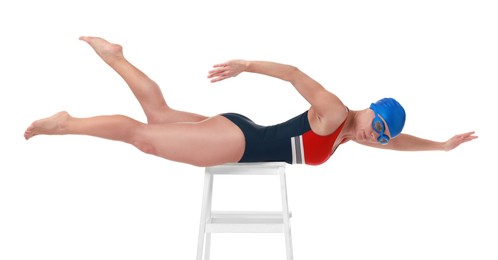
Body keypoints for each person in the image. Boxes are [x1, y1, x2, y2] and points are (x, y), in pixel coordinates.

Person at [24, 36, 478, 167]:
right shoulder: (337, 112)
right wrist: (246, 64)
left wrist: (440, 146)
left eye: (380, 135)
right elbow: (296, 75)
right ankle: (67, 123)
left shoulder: (350, 133)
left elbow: (398, 144)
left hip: (241, 131)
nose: (375, 138)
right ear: (371, 110)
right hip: (237, 143)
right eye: (377, 127)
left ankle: (116, 58)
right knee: (144, 137)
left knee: (159, 115)